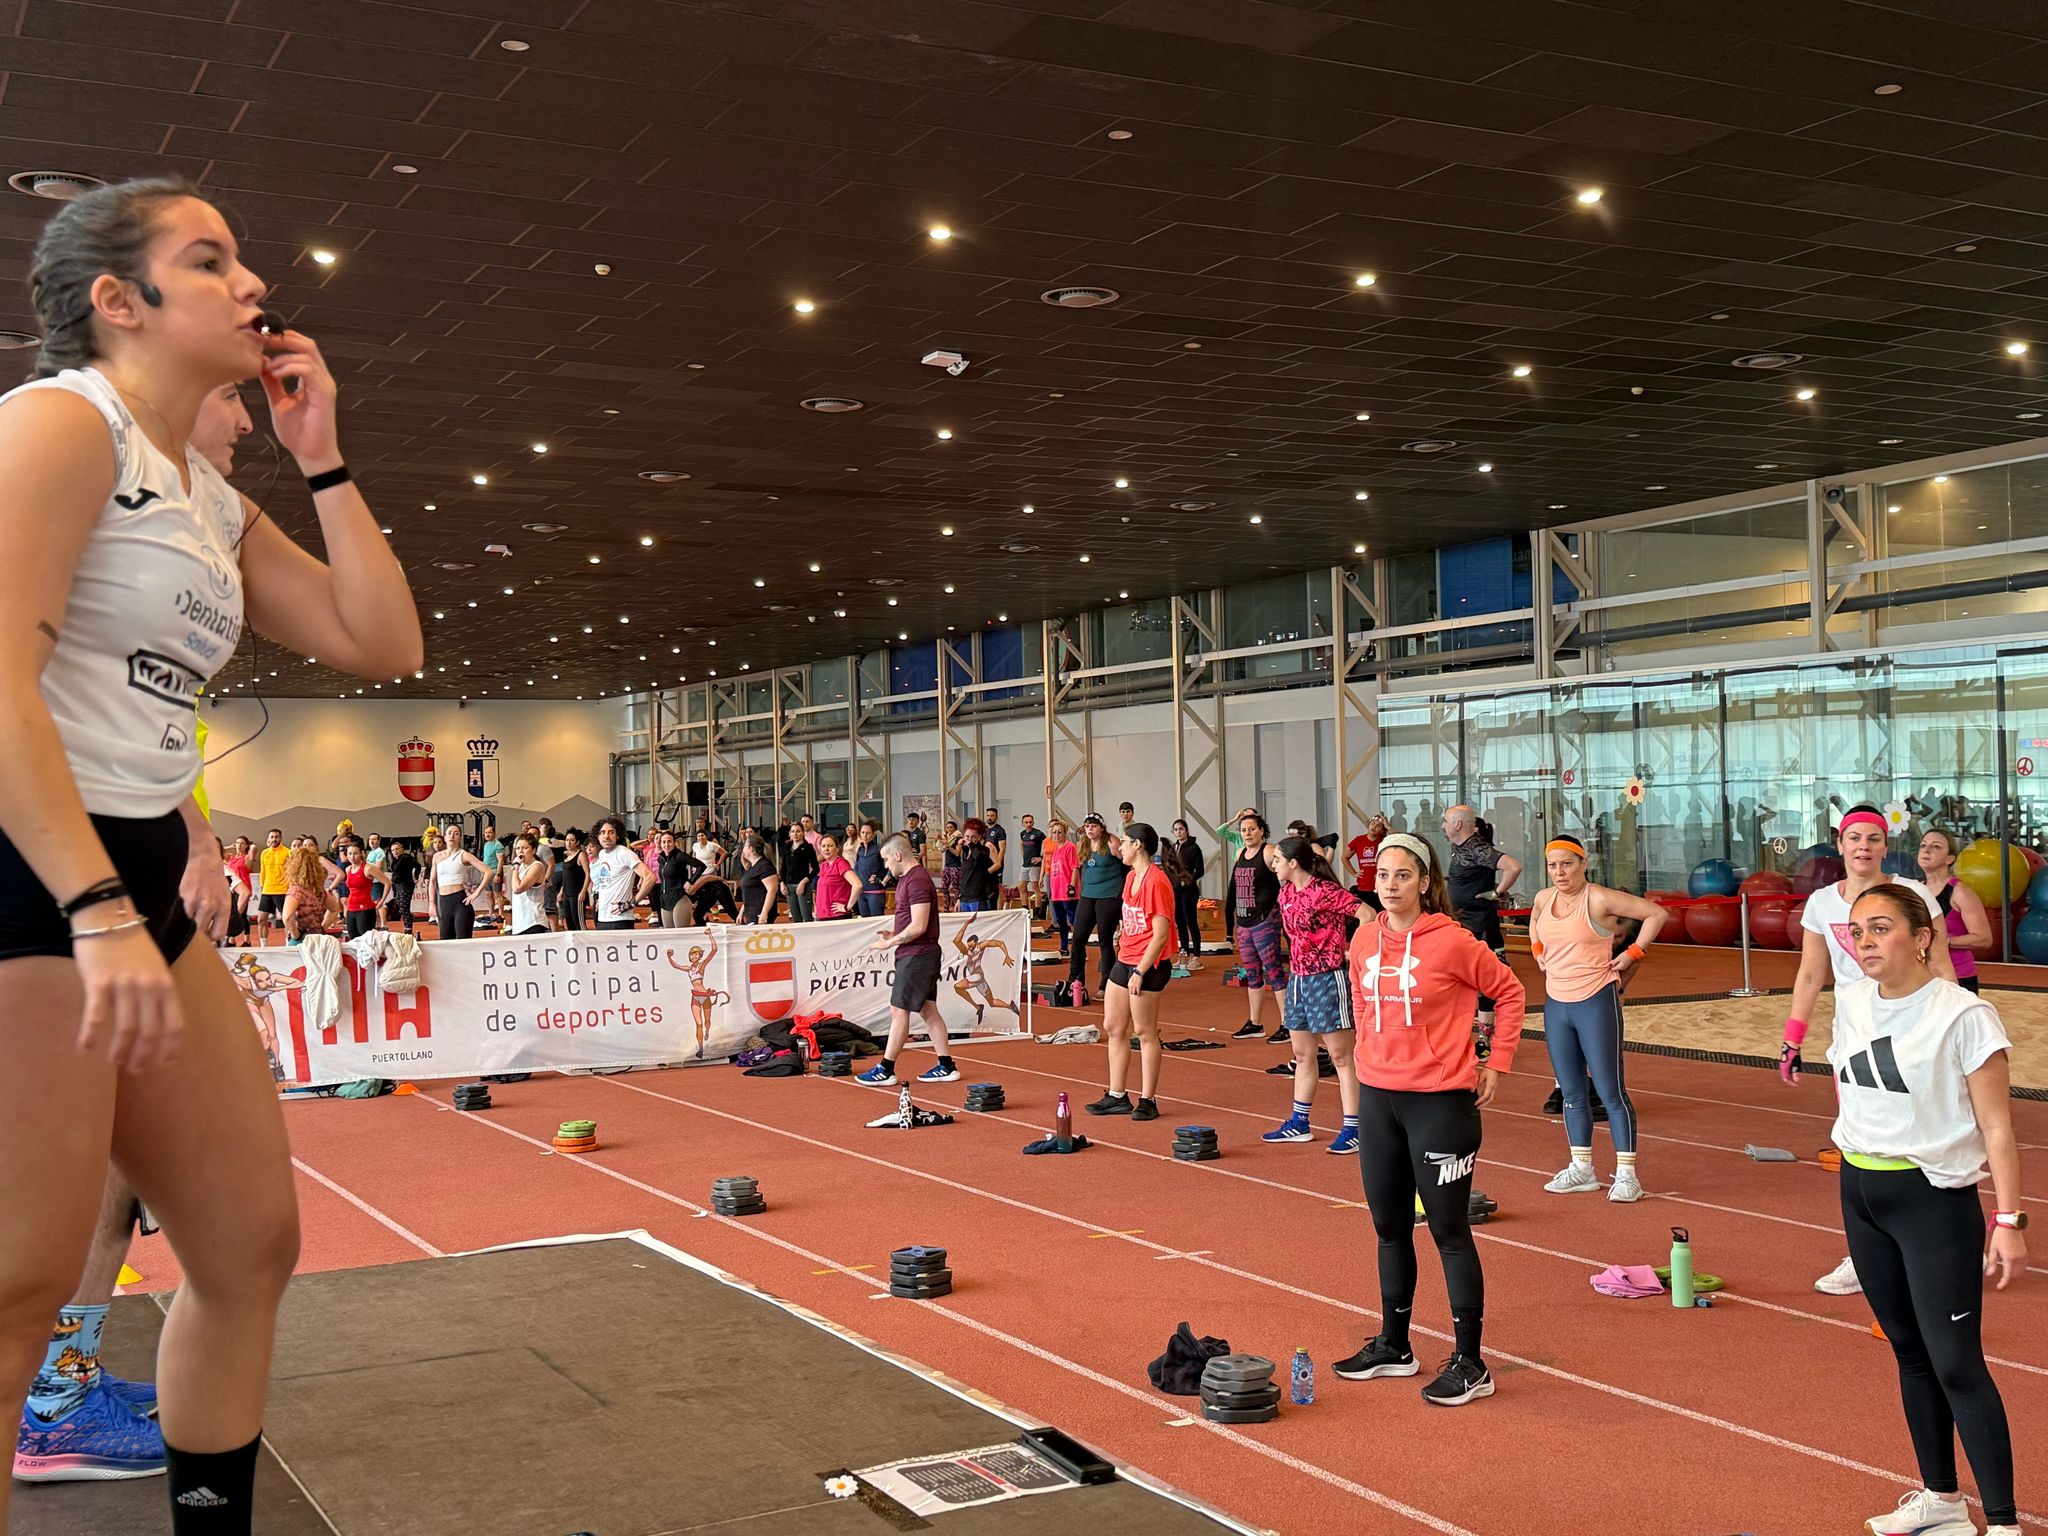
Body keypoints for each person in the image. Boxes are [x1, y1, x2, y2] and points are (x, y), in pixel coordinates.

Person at [0, 174, 420, 1529]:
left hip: (127, 880)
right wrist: (93, 907)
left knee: (246, 1247)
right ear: (119, 304)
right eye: (212, 260)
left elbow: (379, 642)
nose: (254, 284)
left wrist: (323, 456)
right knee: (14, 1284)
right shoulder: (62, 427)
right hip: (29, 873)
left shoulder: (203, 490)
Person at [1826, 884, 2023, 1536]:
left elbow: (1998, 1129)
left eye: (1881, 929)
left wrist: (2008, 1221)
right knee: (1909, 1354)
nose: (1866, 943)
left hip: (1932, 1203)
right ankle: (1942, 1502)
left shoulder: (1963, 1016)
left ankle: (2001, 1524)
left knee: (1958, 1364)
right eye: (1857, 933)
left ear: (1922, 936)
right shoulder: (1850, 1001)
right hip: (1861, 1193)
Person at [1335, 833, 1524, 1408]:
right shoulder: (1364, 939)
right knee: (1389, 1227)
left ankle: (1471, 1362)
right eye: (1383, 876)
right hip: (1378, 1097)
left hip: (1440, 1102)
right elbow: (1363, 1001)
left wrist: (1498, 1061)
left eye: (1401, 876)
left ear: (1423, 881)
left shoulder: (1453, 942)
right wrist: (1370, 1049)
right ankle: (1395, 1345)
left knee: (1448, 1231)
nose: (1389, 886)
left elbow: (1509, 992)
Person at [1782, 804, 1956, 1296]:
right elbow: (1812, 974)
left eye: (1873, 840)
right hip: (1855, 1039)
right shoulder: (1821, 904)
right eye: (1854, 838)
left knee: (1929, 1135)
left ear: (1885, 846)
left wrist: (1959, 1025)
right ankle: (1866, 1254)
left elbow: (1941, 964)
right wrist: (1793, 1036)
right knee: (1861, 1144)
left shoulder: (1913, 894)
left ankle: (1948, 1236)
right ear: (1840, 844)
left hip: (1915, 1033)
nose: (1863, 847)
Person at [1528, 834, 1669, 1203]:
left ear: (1583, 862)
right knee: (1571, 1092)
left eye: (1567, 864)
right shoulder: (1545, 898)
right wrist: (1538, 949)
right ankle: (1582, 1168)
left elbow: (1657, 913)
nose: (1560, 872)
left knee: (1610, 1091)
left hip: (1595, 1000)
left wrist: (1634, 952)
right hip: (1557, 1005)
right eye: (1553, 865)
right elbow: (1535, 920)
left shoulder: (1600, 898)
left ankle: (1626, 1174)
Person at [1260, 836, 1365, 1154]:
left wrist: (1354, 952)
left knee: (1341, 1057)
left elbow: (1368, 915)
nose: (1273, 864)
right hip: (1299, 980)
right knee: (1303, 1054)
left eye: (1278, 859)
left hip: (1328, 978)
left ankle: (1354, 1127)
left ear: (1294, 863)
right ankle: (1299, 1123)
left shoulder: (1326, 891)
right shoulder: (1286, 892)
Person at [1084, 822, 1175, 1121]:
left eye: (1123, 842)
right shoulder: (1131, 877)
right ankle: (1117, 1094)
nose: (1118, 847)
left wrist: (1140, 970)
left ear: (1138, 845)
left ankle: (1148, 1099)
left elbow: (1160, 934)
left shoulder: (1156, 881)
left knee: (1146, 1031)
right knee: (1113, 1026)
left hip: (1148, 964)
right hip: (1126, 959)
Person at [858, 834, 954, 1085]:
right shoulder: (906, 880)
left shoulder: (918, 881)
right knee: (927, 1009)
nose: (886, 866)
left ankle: (886, 1069)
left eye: (887, 859)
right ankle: (946, 1065)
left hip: (918, 956)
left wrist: (889, 943)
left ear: (898, 855)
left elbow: (920, 925)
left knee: (898, 1010)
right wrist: (895, 934)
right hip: (915, 953)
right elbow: (912, 923)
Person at [1443, 805, 1522, 1049]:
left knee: (1485, 985)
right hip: (1463, 926)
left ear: (1458, 825)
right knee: (1460, 981)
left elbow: (1513, 866)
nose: (1443, 826)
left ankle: (1485, 1042)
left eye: (1446, 821)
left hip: (1481, 927)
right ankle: (1465, 1038)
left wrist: (1496, 892)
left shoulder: (1477, 848)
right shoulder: (1459, 848)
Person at [1230, 811, 1288, 1043]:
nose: (1247, 833)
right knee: (1252, 974)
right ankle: (1255, 1023)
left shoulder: (1269, 852)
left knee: (1274, 972)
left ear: (1262, 830)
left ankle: (1287, 1024)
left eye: (1252, 829)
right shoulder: (1240, 852)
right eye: (1244, 830)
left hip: (1264, 921)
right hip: (1244, 922)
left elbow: (1287, 874)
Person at [1917, 828, 1992, 995]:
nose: (1927, 850)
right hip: (1922, 977)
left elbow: (1984, 938)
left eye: (1936, 847)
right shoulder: (1916, 889)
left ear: (1950, 859)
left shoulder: (1960, 892)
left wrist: (1944, 941)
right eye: (1923, 845)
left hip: (1959, 976)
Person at [1066, 814, 1123, 999]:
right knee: (1078, 938)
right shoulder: (1082, 844)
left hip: (1109, 895)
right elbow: (1080, 868)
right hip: (1088, 895)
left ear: (1101, 827)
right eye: (1087, 826)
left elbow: (1127, 865)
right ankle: (1076, 981)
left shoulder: (1112, 842)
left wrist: (1124, 894)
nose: (1090, 829)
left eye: (1093, 826)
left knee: (1105, 940)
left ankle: (1106, 985)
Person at [662, 928, 728, 1060]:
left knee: (707, 1021)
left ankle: (708, 1032)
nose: (693, 956)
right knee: (698, 1023)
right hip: (695, 997)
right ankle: (700, 1048)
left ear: (699, 956)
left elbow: (714, 950)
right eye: (692, 955)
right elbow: (675, 965)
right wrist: (669, 956)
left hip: (705, 996)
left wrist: (710, 935)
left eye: (696, 954)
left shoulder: (701, 966)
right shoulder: (688, 968)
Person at [951, 912, 1019, 1027]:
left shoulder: (981, 946)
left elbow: (999, 942)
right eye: (969, 946)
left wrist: (1006, 956)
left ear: (976, 943)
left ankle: (978, 1006)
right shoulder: (966, 951)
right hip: (979, 979)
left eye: (972, 945)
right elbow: (956, 940)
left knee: (957, 987)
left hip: (977, 976)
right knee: (991, 1002)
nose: (970, 948)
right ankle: (1009, 1006)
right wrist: (967, 923)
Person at [588, 816, 649, 931]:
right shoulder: (602, 854)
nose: (606, 836)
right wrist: (601, 899)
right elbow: (606, 881)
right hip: (602, 917)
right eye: (603, 832)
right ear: (598, 836)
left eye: (611, 832)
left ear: (617, 835)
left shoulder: (624, 853)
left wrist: (631, 903)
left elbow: (650, 877)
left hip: (620, 920)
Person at [429, 827, 488, 941]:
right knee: (445, 941)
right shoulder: (437, 857)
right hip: (443, 903)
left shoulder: (464, 855)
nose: (452, 836)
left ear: (460, 838)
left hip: (460, 903)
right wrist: (431, 903)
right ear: (445, 837)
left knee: (463, 941)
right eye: (449, 833)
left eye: (456, 834)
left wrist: (476, 893)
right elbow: (432, 881)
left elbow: (488, 872)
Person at [1169, 819, 1205, 967]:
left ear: (1187, 831)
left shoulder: (1194, 848)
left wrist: (1187, 880)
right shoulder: (1173, 847)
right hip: (1175, 891)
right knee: (1180, 923)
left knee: (1191, 922)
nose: (1178, 832)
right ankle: (1183, 955)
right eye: (1176, 830)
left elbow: (1200, 870)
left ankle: (1196, 957)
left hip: (1189, 891)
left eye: (1181, 829)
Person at [1042, 819, 1078, 958]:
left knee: (1073, 921)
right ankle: (1064, 947)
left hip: (1067, 891)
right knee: (1061, 922)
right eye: (1054, 832)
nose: (1057, 835)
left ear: (1065, 833)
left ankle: (1079, 949)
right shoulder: (1056, 848)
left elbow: (1075, 867)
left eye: (1059, 832)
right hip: (1056, 892)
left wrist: (1072, 886)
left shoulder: (1070, 847)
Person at [280, 842, 328, 943]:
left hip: (302, 939)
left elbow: (287, 917)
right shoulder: (318, 890)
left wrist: (295, 934)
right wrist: (323, 927)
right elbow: (335, 908)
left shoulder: (295, 891)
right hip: (318, 937)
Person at [687, 824, 738, 922]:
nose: (701, 837)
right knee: (697, 913)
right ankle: (705, 918)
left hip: (710, 873)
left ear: (706, 836)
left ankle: (718, 916)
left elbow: (724, 853)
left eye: (702, 835)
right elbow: (694, 857)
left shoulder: (712, 845)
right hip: (699, 875)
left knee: (717, 894)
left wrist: (717, 864)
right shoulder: (695, 846)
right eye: (699, 836)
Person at [501, 833, 548, 937]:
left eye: (525, 848)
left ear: (533, 850)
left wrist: (515, 869)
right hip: (520, 923)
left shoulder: (536, 866)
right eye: (518, 848)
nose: (520, 851)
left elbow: (517, 889)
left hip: (533, 922)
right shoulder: (521, 866)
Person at [654, 830, 703, 929]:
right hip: (665, 900)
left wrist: (690, 881)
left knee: (680, 934)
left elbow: (701, 866)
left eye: (669, 841)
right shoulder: (661, 859)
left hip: (679, 899)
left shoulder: (679, 856)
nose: (666, 845)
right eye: (664, 842)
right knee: (669, 935)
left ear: (674, 843)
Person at [337, 841, 385, 941]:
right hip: (351, 909)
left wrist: (381, 902)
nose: (352, 857)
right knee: (353, 940)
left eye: (355, 853)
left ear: (362, 853)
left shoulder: (368, 868)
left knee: (365, 941)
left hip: (365, 909)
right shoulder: (348, 869)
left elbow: (387, 882)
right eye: (350, 854)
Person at [253, 826, 289, 945]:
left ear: (281, 838)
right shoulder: (264, 853)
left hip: (282, 890)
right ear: (268, 839)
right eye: (272, 837)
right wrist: (262, 886)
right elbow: (263, 871)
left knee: (287, 920)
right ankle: (264, 946)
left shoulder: (287, 852)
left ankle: (288, 944)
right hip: (267, 891)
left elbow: (290, 872)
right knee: (261, 919)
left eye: (276, 837)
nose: (274, 839)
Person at [735, 833, 781, 925]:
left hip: (760, 913)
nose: (743, 849)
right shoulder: (752, 867)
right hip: (751, 912)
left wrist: (764, 913)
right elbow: (750, 893)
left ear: (751, 849)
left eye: (745, 846)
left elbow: (772, 890)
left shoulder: (765, 866)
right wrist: (741, 912)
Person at [955, 817, 998, 914]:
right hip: (964, 898)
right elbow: (963, 876)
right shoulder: (965, 852)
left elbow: (978, 856)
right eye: (967, 836)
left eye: (973, 837)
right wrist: (959, 897)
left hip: (977, 897)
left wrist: (971, 844)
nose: (969, 839)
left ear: (979, 837)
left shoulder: (984, 850)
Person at [815, 831, 859, 921]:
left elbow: (858, 885)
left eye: (830, 846)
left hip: (837, 916)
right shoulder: (824, 865)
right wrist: (817, 909)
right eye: (823, 846)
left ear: (837, 848)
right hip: (822, 915)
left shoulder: (841, 863)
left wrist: (848, 907)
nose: (826, 849)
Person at [1349, 813, 1389, 912]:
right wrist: (1354, 872)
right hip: (1363, 887)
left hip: (1380, 887)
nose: (1374, 827)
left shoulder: (1384, 841)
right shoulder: (1358, 840)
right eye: (1373, 823)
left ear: (1382, 830)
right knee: (1366, 917)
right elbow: (1344, 857)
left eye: (1378, 825)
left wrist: (1388, 826)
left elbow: (1399, 839)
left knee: (1381, 915)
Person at [552, 828, 590, 932]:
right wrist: (561, 891)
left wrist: (583, 891)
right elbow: (566, 876)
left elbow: (588, 874)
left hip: (577, 894)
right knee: (569, 923)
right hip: (567, 894)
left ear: (577, 842)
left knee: (579, 924)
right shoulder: (567, 856)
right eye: (567, 840)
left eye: (572, 840)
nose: (569, 842)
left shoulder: (581, 855)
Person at [781, 824, 818, 922]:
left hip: (803, 885)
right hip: (789, 886)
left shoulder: (808, 847)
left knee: (806, 917)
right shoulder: (787, 847)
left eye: (798, 831)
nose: (795, 834)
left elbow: (816, 869)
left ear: (803, 833)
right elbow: (783, 867)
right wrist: (782, 882)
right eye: (793, 831)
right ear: (790, 833)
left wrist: (804, 882)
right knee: (795, 917)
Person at [852, 820, 887, 918]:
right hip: (861, 892)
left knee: (876, 921)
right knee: (865, 921)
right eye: (863, 832)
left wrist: (879, 878)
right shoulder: (860, 850)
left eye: (868, 833)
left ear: (873, 835)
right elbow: (856, 868)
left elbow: (889, 868)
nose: (865, 835)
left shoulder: (879, 849)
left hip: (875, 892)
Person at [384, 839, 419, 935]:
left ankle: (408, 928)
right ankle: (407, 926)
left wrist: (416, 876)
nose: (395, 851)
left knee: (404, 907)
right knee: (400, 907)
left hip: (406, 885)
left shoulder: (405, 857)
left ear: (402, 849)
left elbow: (417, 865)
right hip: (397, 885)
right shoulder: (395, 860)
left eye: (397, 849)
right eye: (393, 850)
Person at [477, 821, 504, 928]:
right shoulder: (486, 844)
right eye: (485, 833)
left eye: (489, 833)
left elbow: (501, 860)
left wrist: (498, 874)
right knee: (489, 895)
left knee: (497, 894)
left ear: (494, 833)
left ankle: (501, 914)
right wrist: (483, 872)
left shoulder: (498, 845)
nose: (487, 835)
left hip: (494, 873)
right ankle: (491, 913)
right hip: (487, 873)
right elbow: (485, 860)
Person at [1016, 813, 1046, 908]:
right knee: (1021, 886)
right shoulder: (1022, 834)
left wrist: (1041, 858)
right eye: (1026, 822)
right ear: (1022, 824)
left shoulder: (1039, 834)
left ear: (1033, 822)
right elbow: (1021, 844)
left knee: (1035, 887)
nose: (1028, 824)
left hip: (1034, 865)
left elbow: (1047, 847)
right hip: (1025, 864)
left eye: (1030, 822)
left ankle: (1038, 910)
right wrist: (1024, 856)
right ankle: (1025, 909)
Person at [981, 806, 1007, 900]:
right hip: (986, 863)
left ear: (996, 817)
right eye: (988, 815)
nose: (990, 818)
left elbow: (1002, 849)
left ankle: (999, 910)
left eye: (992, 816)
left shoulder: (1000, 831)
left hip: (996, 864)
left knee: (998, 887)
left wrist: (998, 864)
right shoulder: (984, 830)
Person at [939, 819, 962, 910]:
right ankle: (946, 907)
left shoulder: (958, 839)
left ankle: (957, 906)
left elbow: (957, 853)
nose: (949, 829)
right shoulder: (947, 838)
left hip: (955, 866)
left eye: (951, 827)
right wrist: (942, 843)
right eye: (947, 828)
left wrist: (948, 846)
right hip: (947, 865)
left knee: (956, 888)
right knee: (944, 887)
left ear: (955, 829)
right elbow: (941, 850)